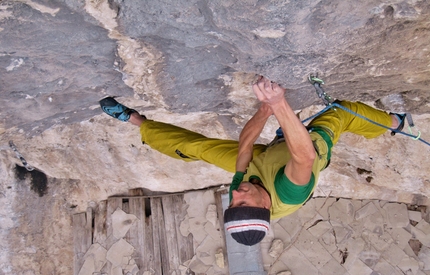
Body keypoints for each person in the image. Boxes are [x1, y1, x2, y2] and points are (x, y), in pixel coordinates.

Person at [100, 76, 405, 246]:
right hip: (307, 144)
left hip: (266, 161)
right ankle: (395, 123)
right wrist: (278, 104)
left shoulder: (243, 194)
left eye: (232, 204)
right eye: (241, 203)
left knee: (199, 148)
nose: (235, 195)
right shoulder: (289, 193)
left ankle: (137, 122)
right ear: (265, 206)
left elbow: (245, 148)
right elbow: (304, 155)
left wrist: (263, 112)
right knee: (342, 111)